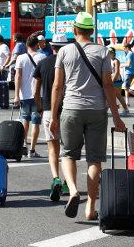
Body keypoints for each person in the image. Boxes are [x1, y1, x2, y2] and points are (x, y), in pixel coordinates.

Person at [50, 12, 126, 220]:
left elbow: (57, 86)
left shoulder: (64, 51)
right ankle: (90, 207)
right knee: (95, 160)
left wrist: (54, 117)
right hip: (96, 111)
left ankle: (73, 190)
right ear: (91, 31)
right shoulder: (102, 52)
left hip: (71, 109)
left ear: (75, 30)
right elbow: (108, 85)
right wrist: (117, 117)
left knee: (68, 154)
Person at [33, 34, 70, 201]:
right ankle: (68, 182)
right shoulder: (70, 63)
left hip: (48, 111)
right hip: (68, 110)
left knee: (52, 148)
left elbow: (35, 91)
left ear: (51, 46)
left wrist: (40, 108)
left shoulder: (43, 63)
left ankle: (55, 178)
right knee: (68, 149)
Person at [14, 35, 46, 158]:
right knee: (36, 123)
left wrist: (16, 95)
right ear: (37, 45)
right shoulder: (42, 57)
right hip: (39, 94)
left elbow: (18, 77)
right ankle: (32, 150)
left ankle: (23, 145)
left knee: (25, 122)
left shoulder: (21, 58)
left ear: (27, 45)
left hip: (24, 95)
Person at [108, 47, 129, 116]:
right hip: (111, 79)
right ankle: (115, 108)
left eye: (111, 53)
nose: (109, 54)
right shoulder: (109, 60)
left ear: (114, 53)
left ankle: (126, 109)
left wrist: (112, 81)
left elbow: (117, 72)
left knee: (118, 95)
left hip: (116, 80)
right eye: (109, 53)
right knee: (110, 95)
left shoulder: (116, 61)